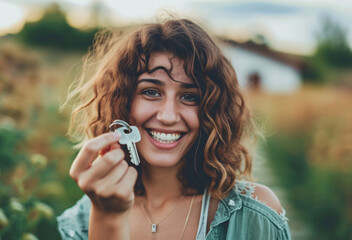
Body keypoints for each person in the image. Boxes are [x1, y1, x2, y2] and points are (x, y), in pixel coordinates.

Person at [57, 18, 291, 240]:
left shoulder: (254, 214)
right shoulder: (79, 222)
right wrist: (107, 218)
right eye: (150, 92)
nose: (168, 116)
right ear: (121, 101)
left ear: (212, 111)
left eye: (190, 96)